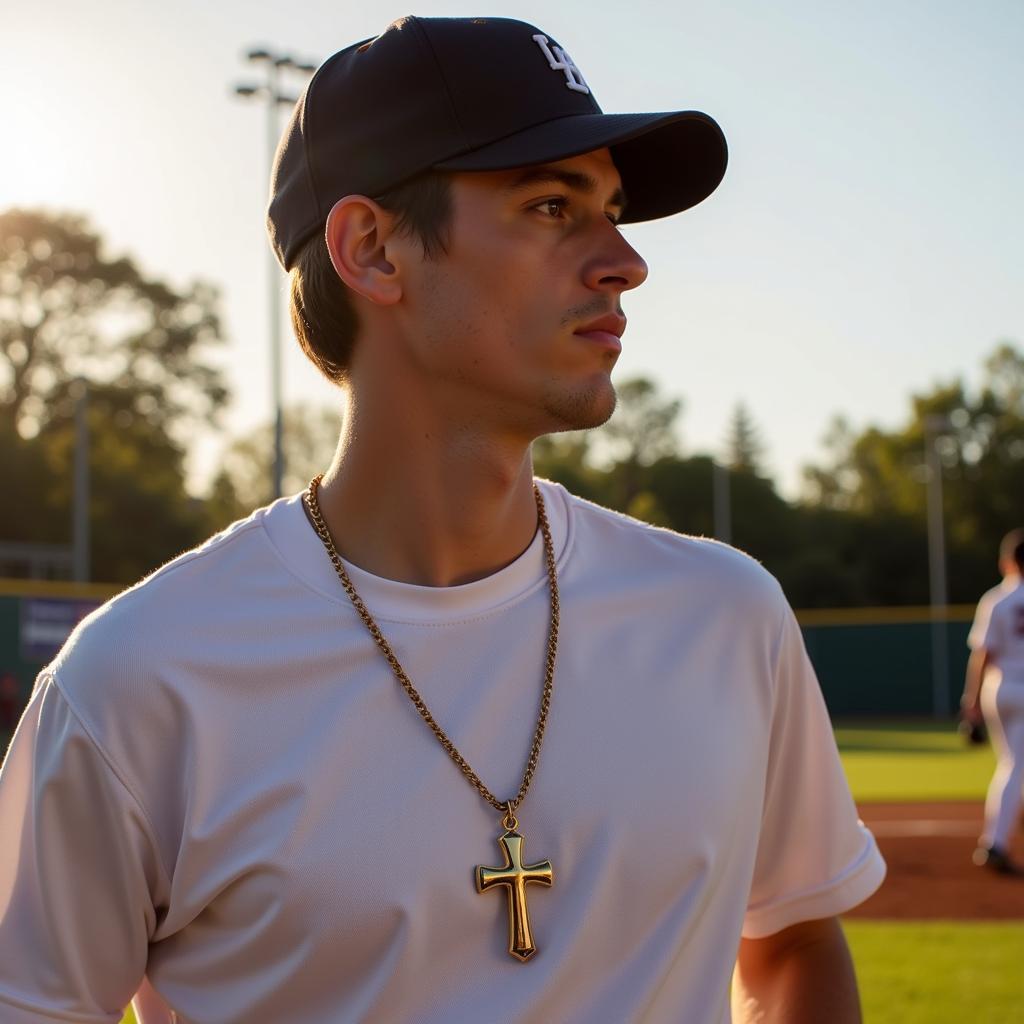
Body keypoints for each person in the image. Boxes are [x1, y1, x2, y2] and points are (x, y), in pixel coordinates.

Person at [0, 15, 885, 1023]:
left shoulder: (727, 618)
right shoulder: (138, 679)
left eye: (612, 208)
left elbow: (792, 944)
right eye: (552, 206)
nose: (624, 261)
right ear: (373, 250)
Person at [962, 528, 1024, 875]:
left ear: (1008, 562)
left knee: (1012, 762)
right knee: (1015, 765)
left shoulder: (996, 599)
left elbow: (982, 655)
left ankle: (1002, 831)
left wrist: (971, 701)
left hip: (998, 690)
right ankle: (995, 844)